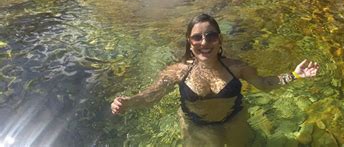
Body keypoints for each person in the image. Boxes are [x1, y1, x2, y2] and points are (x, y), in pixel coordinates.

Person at [111, 13, 320, 146]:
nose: (204, 42)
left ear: (220, 40)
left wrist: (294, 75)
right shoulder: (178, 71)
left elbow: (265, 84)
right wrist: (129, 102)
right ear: (189, 42)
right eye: (197, 37)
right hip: (196, 126)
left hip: (234, 119)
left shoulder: (237, 68)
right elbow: (152, 95)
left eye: (211, 36)